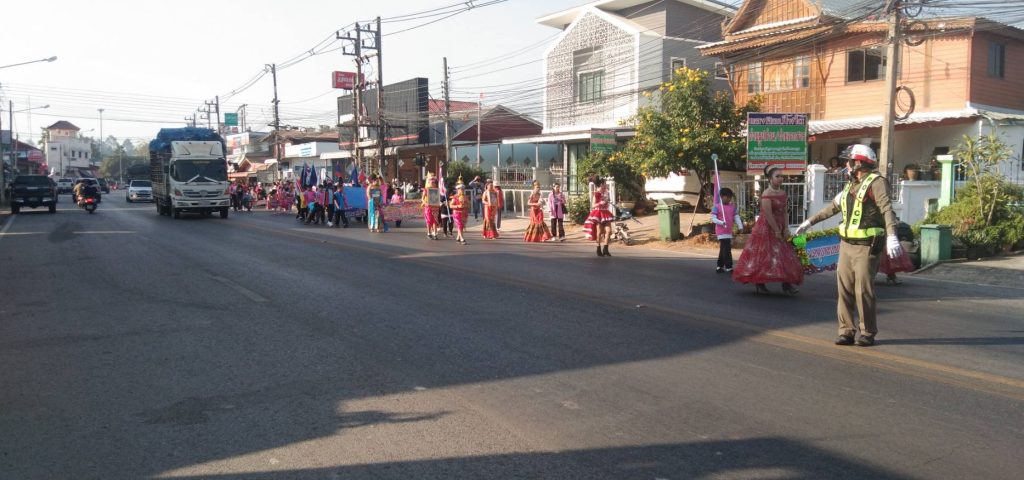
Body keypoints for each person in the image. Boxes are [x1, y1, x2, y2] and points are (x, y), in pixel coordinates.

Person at [796, 144, 902, 347]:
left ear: (858, 163)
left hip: (867, 246)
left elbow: (886, 208)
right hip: (846, 245)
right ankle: (846, 331)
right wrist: (809, 222)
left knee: (863, 290)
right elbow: (832, 208)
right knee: (844, 289)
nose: (846, 165)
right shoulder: (850, 185)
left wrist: (891, 235)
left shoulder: (877, 182)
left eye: (849, 161)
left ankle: (867, 332)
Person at [732, 165, 804, 295]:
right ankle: (760, 283)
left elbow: (785, 212)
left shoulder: (782, 193)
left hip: (780, 226)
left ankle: (787, 284)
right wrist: (776, 230)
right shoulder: (766, 194)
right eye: (777, 176)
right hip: (766, 228)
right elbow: (768, 214)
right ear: (770, 179)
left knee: (785, 254)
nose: (780, 178)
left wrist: (786, 228)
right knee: (764, 255)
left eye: (781, 176)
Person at [710, 187, 744, 273]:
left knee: (723, 249)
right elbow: (713, 219)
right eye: (727, 197)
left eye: (730, 197)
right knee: (727, 248)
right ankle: (729, 266)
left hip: (729, 231)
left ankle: (719, 266)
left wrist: (740, 226)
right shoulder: (716, 207)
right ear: (721, 196)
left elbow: (736, 217)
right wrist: (721, 222)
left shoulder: (732, 207)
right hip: (721, 232)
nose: (729, 199)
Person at [583, 178, 615, 256]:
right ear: (601, 184)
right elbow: (593, 205)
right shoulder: (596, 194)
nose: (606, 185)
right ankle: (598, 248)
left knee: (608, 231)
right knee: (599, 232)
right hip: (598, 213)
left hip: (606, 213)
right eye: (605, 183)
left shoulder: (606, 193)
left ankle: (606, 248)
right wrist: (600, 203)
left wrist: (607, 202)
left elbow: (607, 203)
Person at [421, 174, 440, 239]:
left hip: (435, 208)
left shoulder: (436, 190)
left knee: (435, 220)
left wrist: (439, 203)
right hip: (428, 207)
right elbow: (422, 199)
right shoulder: (426, 190)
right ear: (429, 182)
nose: (433, 183)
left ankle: (435, 233)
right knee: (429, 220)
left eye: (434, 182)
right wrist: (425, 203)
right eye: (432, 182)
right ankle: (429, 233)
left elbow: (438, 198)